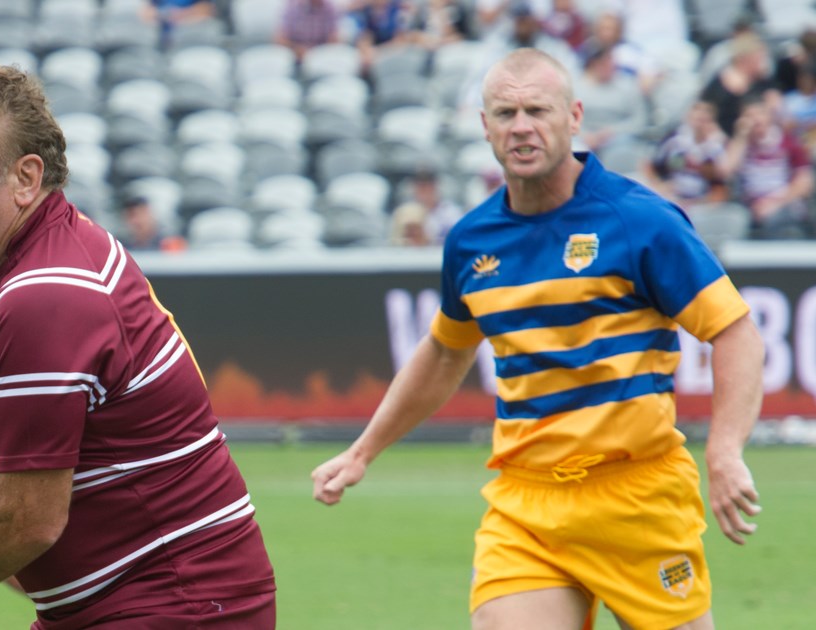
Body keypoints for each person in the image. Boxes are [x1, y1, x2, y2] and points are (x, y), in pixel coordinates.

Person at [313, 50, 763, 630]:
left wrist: (724, 452)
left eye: (538, 110)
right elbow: (446, 350)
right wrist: (362, 451)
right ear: (485, 126)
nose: (521, 126)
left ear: (573, 116)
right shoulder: (472, 240)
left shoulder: (639, 220)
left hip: (637, 500)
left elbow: (735, 331)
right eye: (506, 113)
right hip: (527, 505)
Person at [0, 63, 275, 629]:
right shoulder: (22, 262)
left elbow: (28, 523)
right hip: (131, 603)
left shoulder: (41, 297)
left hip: (178, 606)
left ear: (25, 178)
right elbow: (3, 441)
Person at [718, 98, 815, 239]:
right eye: (749, 116)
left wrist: (774, 203)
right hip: (749, 207)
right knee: (733, 220)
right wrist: (741, 136)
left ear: (769, 116)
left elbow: (805, 183)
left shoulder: (789, 143)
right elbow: (724, 171)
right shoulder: (741, 145)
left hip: (784, 204)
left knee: (775, 221)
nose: (756, 120)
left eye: (760, 114)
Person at [643, 101, 730, 206]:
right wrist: (658, 185)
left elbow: (720, 188)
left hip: (700, 204)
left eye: (706, 112)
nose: (701, 115)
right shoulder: (674, 139)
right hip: (671, 196)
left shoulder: (716, 147)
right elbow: (649, 166)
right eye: (697, 110)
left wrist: (701, 203)